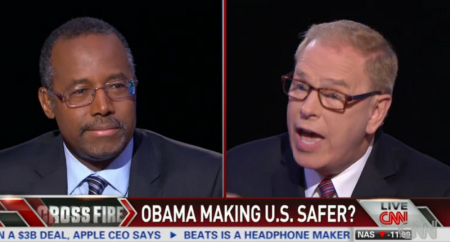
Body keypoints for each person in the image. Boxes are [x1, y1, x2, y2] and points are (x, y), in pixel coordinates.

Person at [0, 17, 222, 197]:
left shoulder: (208, 180)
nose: (103, 106)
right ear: (47, 103)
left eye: (117, 86)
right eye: (80, 91)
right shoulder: (6, 181)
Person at [226, 20, 450, 198]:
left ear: (376, 112)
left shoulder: (434, 193)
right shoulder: (235, 171)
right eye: (301, 86)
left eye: (333, 95)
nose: (307, 108)